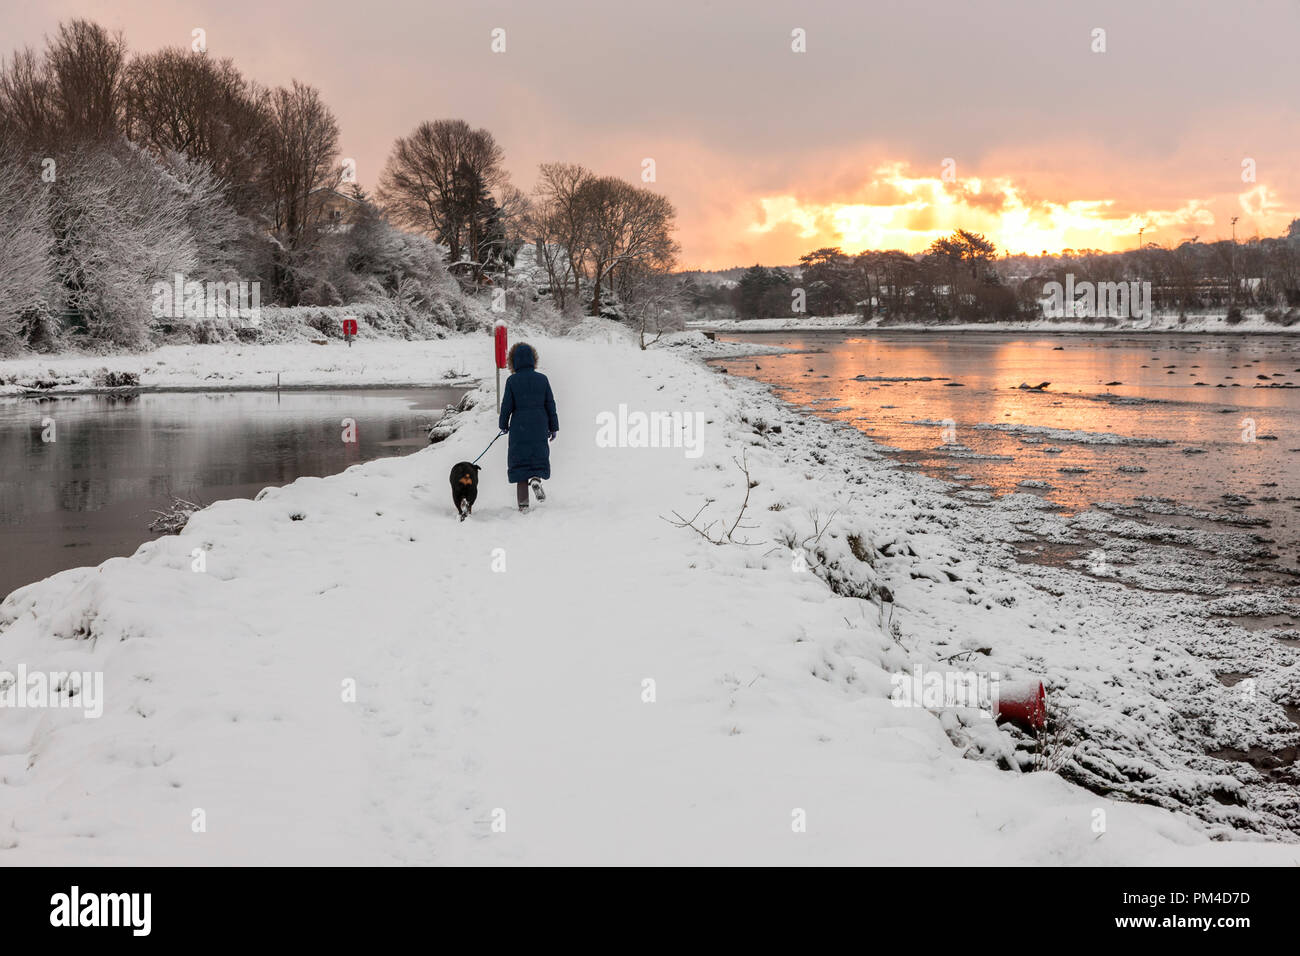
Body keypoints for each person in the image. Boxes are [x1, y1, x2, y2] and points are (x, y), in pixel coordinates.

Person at [497, 342, 558, 512]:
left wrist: (503, 424)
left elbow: (506, 405)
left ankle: (523, 505)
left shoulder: (512, 381)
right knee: (537, 458)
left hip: (519, 427)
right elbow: (550, 404)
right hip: (539, 425)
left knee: (520, 466)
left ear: (513, 362)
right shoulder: (542, 379)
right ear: (533, 360)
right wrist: (553, 427)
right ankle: (536, 479)